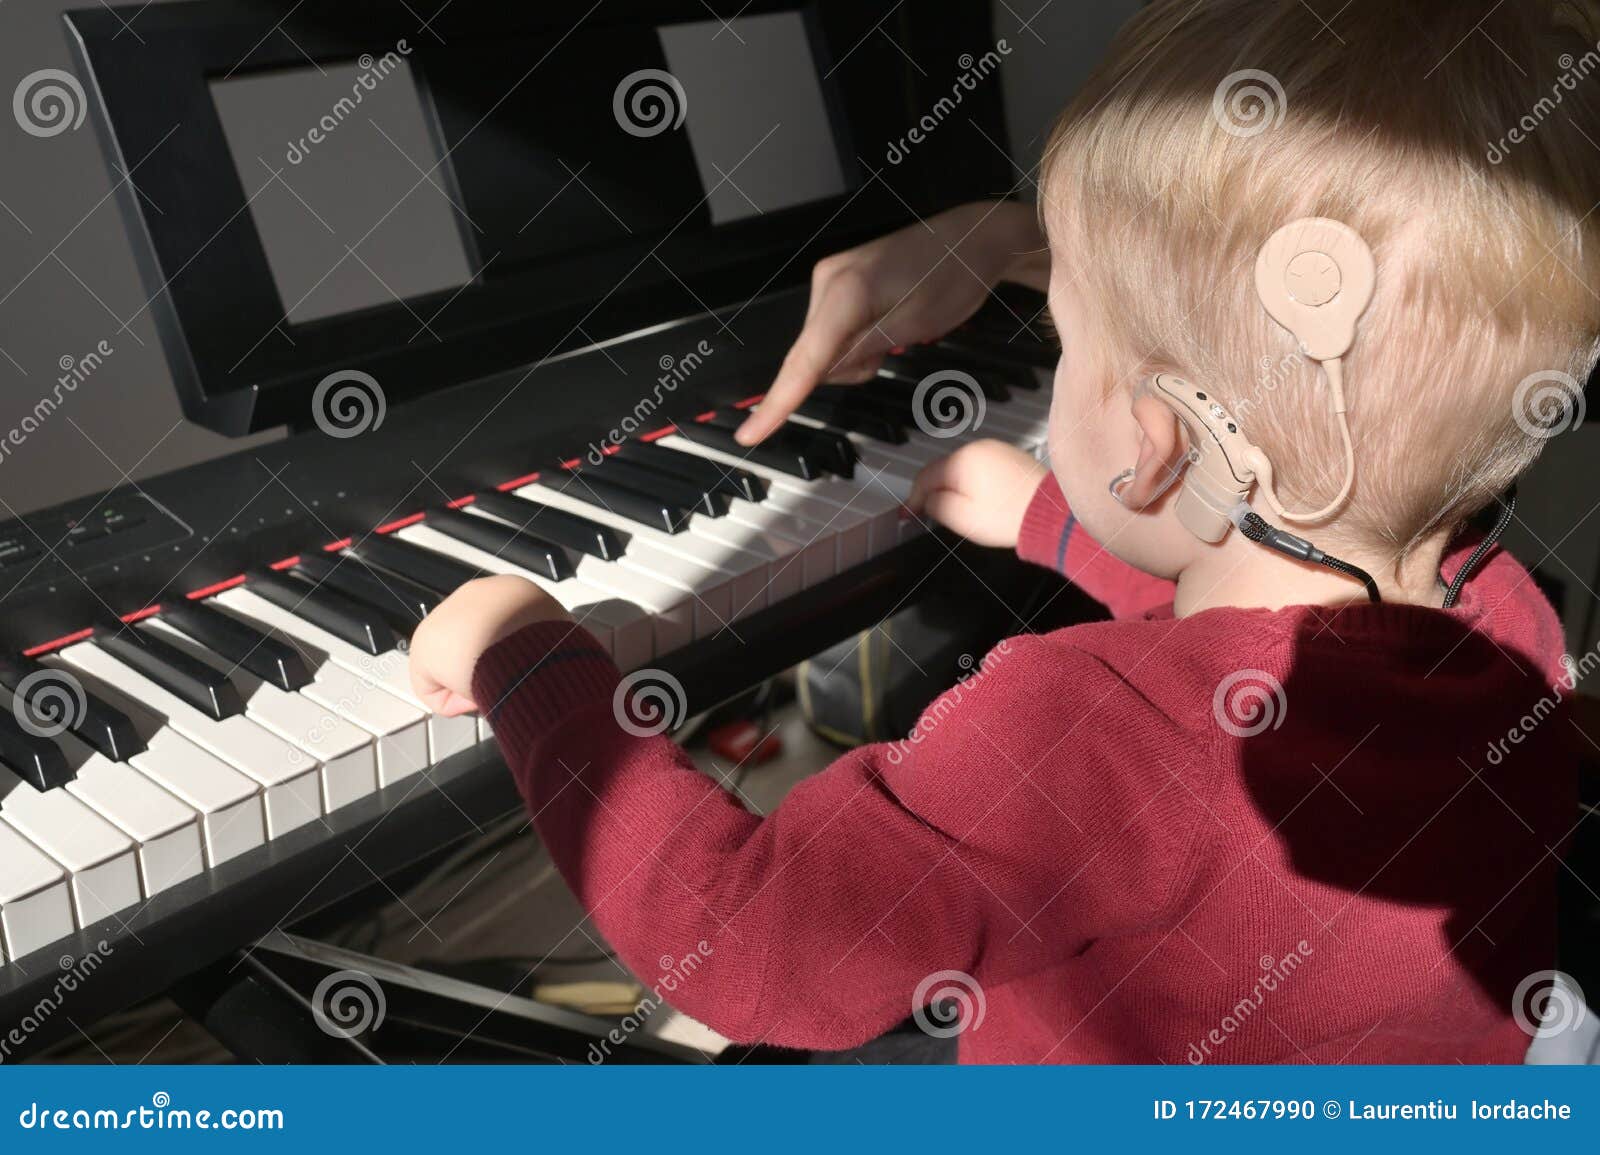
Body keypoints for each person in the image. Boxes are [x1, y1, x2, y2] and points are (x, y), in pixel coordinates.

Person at [407, 0, 1600, 1062]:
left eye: (1066, 340)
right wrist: (1048, 521)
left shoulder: (1072, 732)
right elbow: (1257, 650)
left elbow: (752, 952)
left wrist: (531, 660)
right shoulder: (1511, 630)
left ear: (1151, 448)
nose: (1056, 350)